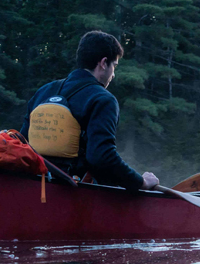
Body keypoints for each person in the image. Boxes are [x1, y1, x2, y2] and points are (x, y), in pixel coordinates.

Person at [21, 31, 158, 191]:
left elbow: (21, 143)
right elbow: (101, 157)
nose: (113, 74)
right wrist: (140, 182)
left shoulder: (43, 92)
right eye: (114, 66)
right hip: (73, 194)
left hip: (35, 185)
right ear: (103, 63)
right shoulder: (103, 99)